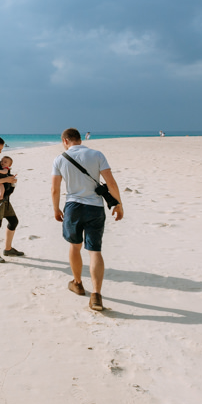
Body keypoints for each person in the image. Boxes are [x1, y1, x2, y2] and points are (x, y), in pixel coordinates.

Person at [51, 128, 123, 311]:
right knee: (94, 250)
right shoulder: (97, 155)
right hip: (95, 207)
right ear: (80, 140)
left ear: (65, 140)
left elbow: (55, 189)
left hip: (73, 206)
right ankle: (96, 295)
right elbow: (111, 182)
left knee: (75, 246)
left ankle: (77, 283)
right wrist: (118, 204)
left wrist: (56, 209)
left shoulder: (60, 159)